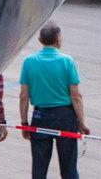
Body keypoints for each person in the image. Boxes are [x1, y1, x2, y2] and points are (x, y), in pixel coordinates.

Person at [18, 21, 85, 179]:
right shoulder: (67, 61)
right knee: (69, 167)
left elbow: (23, 96)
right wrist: (82, 122)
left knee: (39, 168)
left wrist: (24, 123)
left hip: (40, 117)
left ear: (40, 40)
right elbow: (76, 96)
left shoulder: (29, 62)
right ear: (58, 39)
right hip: (65, 117)